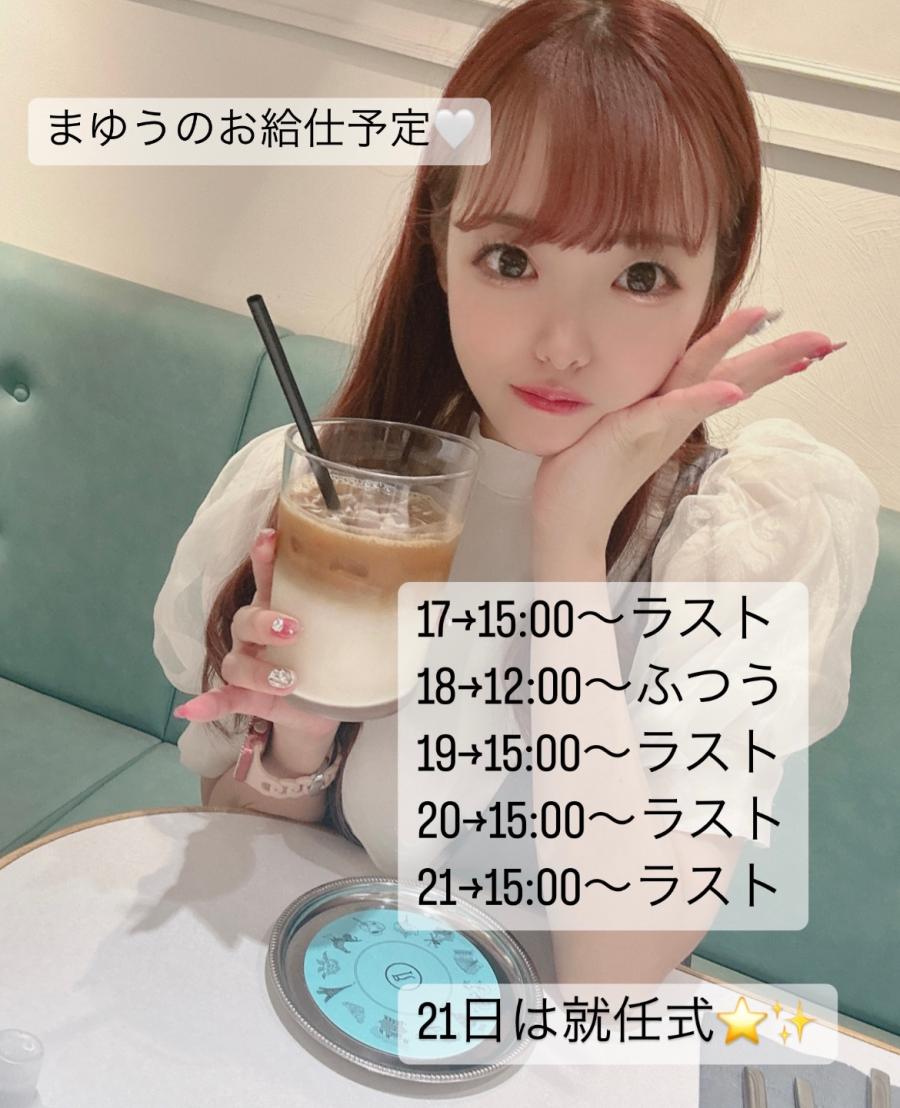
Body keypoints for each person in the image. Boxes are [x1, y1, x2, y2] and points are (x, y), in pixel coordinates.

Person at [152, 0, 880, 985]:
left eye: (642, 275)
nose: (562, 345)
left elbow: (616, 965)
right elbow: (246, 852)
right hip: (340, 1003)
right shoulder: (342, 497)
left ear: (717, 280)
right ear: (440, 252)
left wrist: (569, 538)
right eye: (511, 260)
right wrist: (302, 736)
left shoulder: (741, 543)